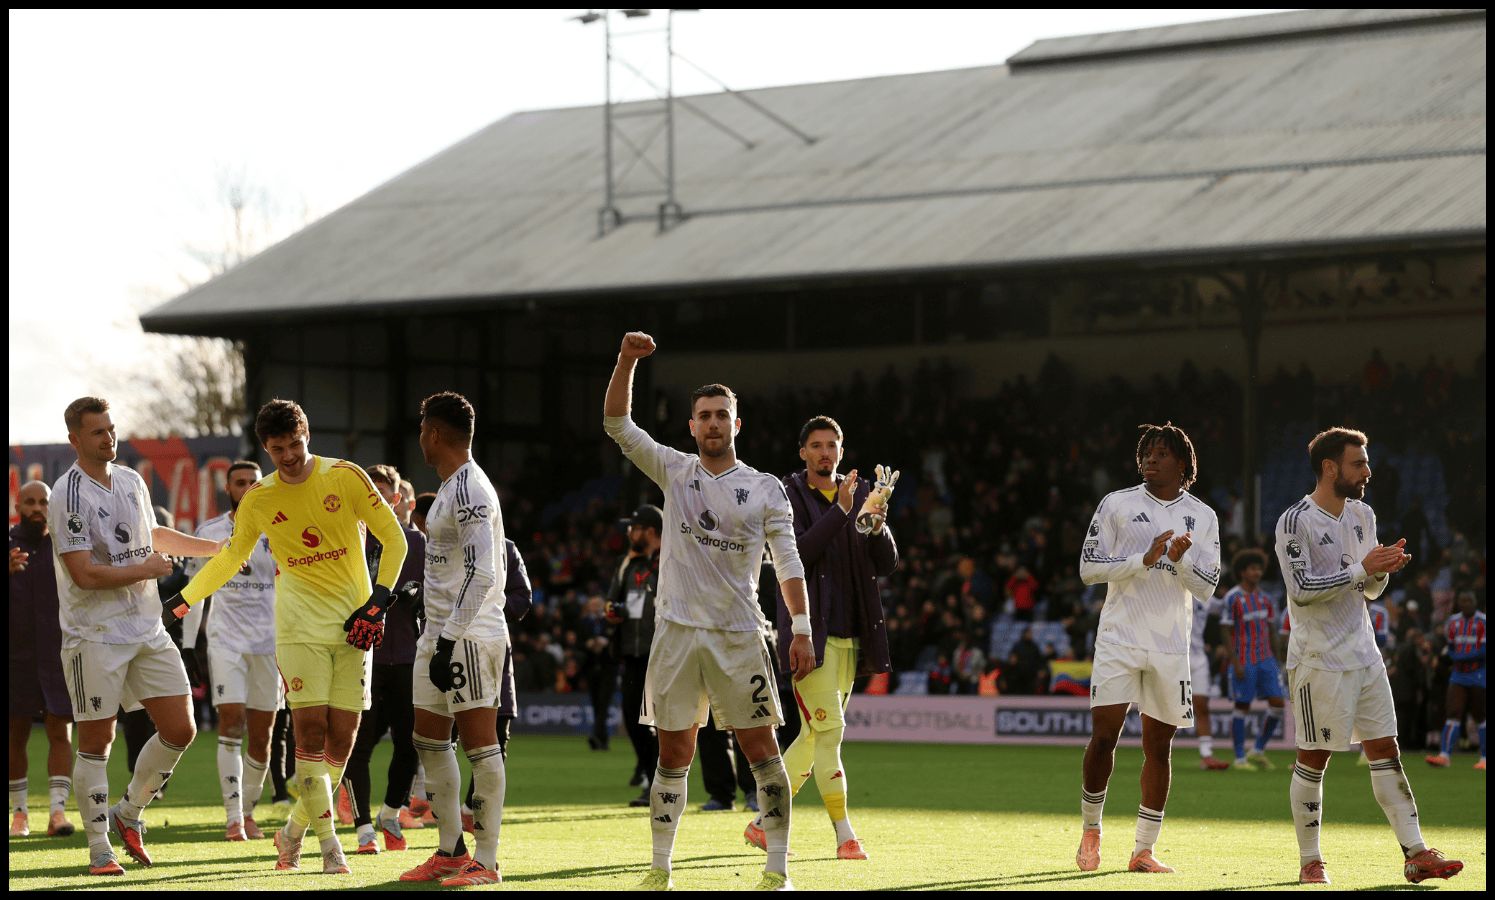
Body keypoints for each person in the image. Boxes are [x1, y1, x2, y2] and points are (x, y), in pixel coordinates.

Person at [162, 398, 408, 876]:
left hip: (356, 624)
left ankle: (292, 830)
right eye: (279, 450)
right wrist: (185, 599)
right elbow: (232, 557)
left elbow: (393, 538)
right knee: (311, 735)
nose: (290, 456)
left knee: (343, 740)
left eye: (295, 444)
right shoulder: (260, 499)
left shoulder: (346, 477)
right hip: (296, 629)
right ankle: (328, 844)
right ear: (266, 449)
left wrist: (378, 603)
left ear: (307, 433)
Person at [604, 331, 813, 891]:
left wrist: (803, 629)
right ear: (691, 426)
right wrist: (626, 361)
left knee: (761, 751)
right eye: (705, 416)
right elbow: (618, 425)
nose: (714, 423)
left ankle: (777, 869)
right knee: (673, 751)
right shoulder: (674, 471)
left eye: (723, 415)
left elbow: (788, 563)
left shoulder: (765, 488)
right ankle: (659, 867)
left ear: (736, 425)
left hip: (740, 633)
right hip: (675, 633)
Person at [1275, 427, 1462, 885]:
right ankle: (1310, 860)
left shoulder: (1362, 514)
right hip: (1318, 658)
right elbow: (1300, 592)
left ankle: (1416, 853)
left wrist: (1382, 571)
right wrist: (1363, 567)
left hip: (1364, 652)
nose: (1367, 471)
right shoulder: (1295, 520)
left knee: (1386, 751)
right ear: (1330, 467)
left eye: (1365, 462)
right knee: (1314, 757)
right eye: (1358, 463)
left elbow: (1368, 590)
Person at [50, 397, 224, 875]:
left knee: (181, 728)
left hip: (145, 627)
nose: (109, 438)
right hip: (94, 634)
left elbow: (154, 536)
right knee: (97, 740)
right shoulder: (66, 494)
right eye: (97, 432)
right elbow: (84, 574)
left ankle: (128, 813)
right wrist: (143, 568)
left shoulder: (131, 479)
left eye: (111, 429)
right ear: (75, 440)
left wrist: (216, 549)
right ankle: (99, 848)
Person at [745, 414, 898, 861]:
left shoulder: (863, 493)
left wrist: (877, 524)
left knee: (816, 738)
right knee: (829, 734)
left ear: (842, 451)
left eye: (832, 444)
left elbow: (886, 563)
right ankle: (845, 834)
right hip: (808, 634)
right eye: (816, 445)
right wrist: (842, 511)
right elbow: (796, 553)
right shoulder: (788, 494)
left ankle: (762, 823)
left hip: (853, 634)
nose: (825, 452)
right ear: (803, 453)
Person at [1075, 423, 1221, 874]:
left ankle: (1143, 849)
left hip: (1170, 646)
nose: (1150, 460)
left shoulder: (1203, 515)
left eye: (1161, 453)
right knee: (1105, 736)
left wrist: (1179, 562)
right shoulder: (1117, 503)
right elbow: (1088, 568)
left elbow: (1208, 587)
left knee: (1160, 747)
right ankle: (1091, 829)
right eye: (1146, 453)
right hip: (1119, 637)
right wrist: (1144, 559)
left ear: (1183, 464)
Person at [397, 391, 509, 887]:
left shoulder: (469, 490)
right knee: (428, 738)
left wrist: (449, 640)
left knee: (482, 747)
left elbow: (484, 571)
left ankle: (486, 862)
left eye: (423, 428)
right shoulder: (447, 487)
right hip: (437, 632)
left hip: (469, 635)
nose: (420, 436)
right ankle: (449, 851)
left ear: (435, 434)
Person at [180, 460, 280, 841]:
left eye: (254, 482)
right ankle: (233, 817)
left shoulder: (280, 527)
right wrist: (191, 645)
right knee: (232, 721)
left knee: (262, 736)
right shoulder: (211, 532)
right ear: (228, 487)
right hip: (226, 642)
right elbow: (198, 590)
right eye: (240, 482)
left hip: (271, 645)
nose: (248, 488)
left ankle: (249, 812)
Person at [341, 463, 425, 854]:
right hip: (359, 658)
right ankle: (363, 830)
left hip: (408, 658)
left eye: (381, 494)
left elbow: (438, 591)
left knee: (411, 745)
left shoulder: (417, 543)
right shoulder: (346, 543)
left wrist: (417, 593)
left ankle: (391, 813)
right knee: (356, 747)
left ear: (395, 499)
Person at [8, 481, 76, 838]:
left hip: (57, 654)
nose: (37, 508)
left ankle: (57, 813)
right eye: (30, 502)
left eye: (43, 502)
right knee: (14, 735)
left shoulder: (66, 546)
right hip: (15, 657)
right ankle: (19, 815)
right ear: (18, 505)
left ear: (52, 506)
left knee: (60, 731)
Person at [606, 505, 662, 808]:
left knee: (662, 722)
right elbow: (614, 601)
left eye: (635, 528)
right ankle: (652, 781)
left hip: (663, 654)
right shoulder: (628, 564)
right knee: (633, 719)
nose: (630, 533)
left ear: (650, 531)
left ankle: (662, 784)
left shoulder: (669, 562)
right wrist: (612, 612)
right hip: (632, 653)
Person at [1219, 549, 1286, 769]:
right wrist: (1235, 661)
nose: (1257, 572)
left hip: (1266, 659)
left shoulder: (1265, 599)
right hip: (1244, 659)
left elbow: (1272, 630)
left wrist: (1277, 660)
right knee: (1242, 706)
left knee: (1277, 703)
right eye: (1253, 569)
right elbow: (1225, 631)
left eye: (1259, 569)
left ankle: (1257, 749)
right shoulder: (1233, 598)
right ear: (1242, 572)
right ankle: (1239, 758)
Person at [1425, 591, 1484, 769]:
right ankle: (1444, 756)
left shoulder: (1483, 622)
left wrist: (1460, 657)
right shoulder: (1453, 622)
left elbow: (1483, 650)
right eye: (1463, 601)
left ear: (1475, 602)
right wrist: (1454, 656)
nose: (1466, 604)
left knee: (1481, 715)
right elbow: (1450, 648)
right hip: (1458, 674)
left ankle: (1485, 758)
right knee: (1453, 713)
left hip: (1478, 674)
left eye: (1469, 601)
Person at [1189, 590, 1230, 770]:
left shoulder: (1205, 597)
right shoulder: (1170, 588)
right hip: (1171, 656)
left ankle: (1207, 755)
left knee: (1202, 707)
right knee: (1163, 709)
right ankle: (1156, 753)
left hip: (1197, 658)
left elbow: (1225, 607)